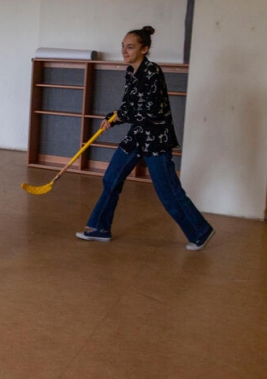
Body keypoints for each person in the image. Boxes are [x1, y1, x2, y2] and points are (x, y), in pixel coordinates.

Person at [76, 25, 215, 250]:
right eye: (123, 46)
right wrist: (113, 117)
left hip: (156, 139)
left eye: (130, 47)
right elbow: (128, 105)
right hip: (137, 136)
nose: (124, 51)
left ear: (145, 49)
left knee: (168, 191)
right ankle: (101, 228)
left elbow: (150, 111)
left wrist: (121, 115)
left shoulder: (153, 72)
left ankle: (200, 231)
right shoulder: (131, 72)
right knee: (111, 178)